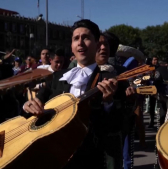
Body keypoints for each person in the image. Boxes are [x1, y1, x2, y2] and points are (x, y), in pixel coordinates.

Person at [23, 19, 120, 168]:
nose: (80, 43)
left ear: (96, 44)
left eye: (86, 38)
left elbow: (115, 127)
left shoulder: (108, 80)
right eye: (76, 38)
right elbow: (35, 106)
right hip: (54, 156)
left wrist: (108, 103)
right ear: (72, 46)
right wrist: (28, 106)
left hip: (90, 160)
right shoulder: (57, 77)